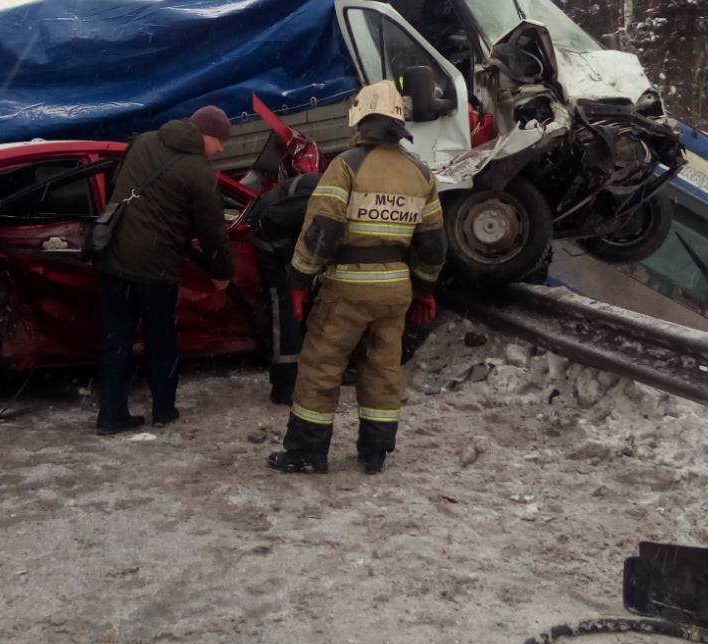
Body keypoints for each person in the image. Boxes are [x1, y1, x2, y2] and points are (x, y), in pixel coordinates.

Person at [267, 80, 447, 475]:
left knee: (321, 366)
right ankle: (375, 452)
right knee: (383, 368)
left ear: (362, 120)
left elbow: (322, 232)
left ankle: (306, 453)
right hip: (396, 288)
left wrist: (299, 280)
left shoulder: (347, 165)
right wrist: (425, 290)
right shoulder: (420, 172)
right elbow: (433, 243)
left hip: (348, 285)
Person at [95, 105, 236, 434]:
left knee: (117, 338)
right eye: (221, 142)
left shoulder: (144, 141)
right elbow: (212, 230)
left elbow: (120, 182)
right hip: (155, 269)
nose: (223, 149)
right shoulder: (198, 171)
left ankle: (111, 415)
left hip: (114, 259)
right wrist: (222, 271)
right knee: (161, 340)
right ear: (207, 136)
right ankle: (163, 410)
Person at [246, 170, 321, 404]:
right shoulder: (315, 198)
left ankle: (311, 371)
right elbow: (270, 223)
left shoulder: (331, 193)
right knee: (285, 307)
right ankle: (284, 384)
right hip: (270, 240)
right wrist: (294, 266)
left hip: (282, 234)